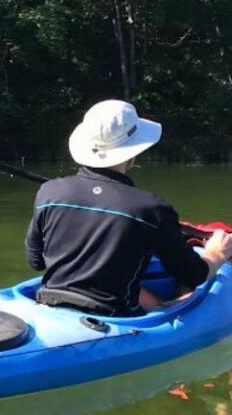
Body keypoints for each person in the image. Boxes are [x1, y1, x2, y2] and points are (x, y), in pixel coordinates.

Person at [25, 99, 232, 317]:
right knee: (180, 293)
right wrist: (216, 254)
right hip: (115, 315)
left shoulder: (48, 192)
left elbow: (36, 261)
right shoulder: (153, 209)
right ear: (133, 153)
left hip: (49, 303)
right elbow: (194, 275)